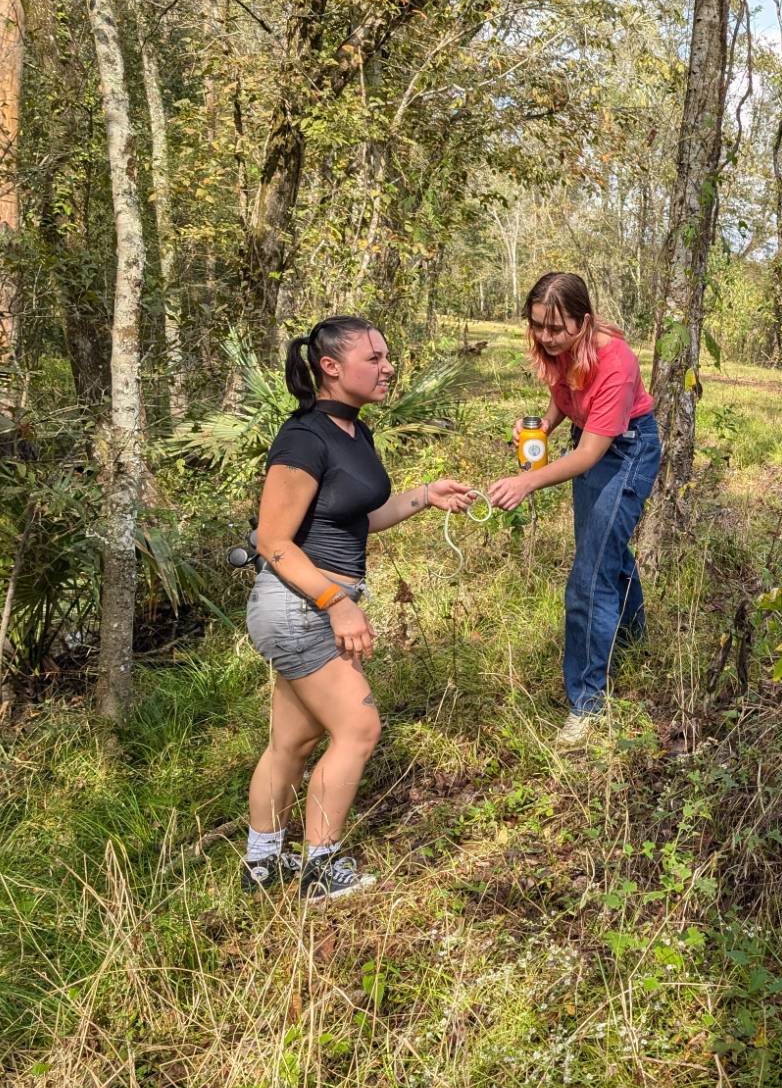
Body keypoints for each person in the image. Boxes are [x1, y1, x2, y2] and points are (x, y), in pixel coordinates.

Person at [244, 316, 474, 903]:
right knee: (359, 726)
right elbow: (273, 540)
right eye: (374, 358)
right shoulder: (304, 439)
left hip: (313, 602)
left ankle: (263, 864)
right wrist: (336, 602)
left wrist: (425, 496)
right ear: (330, 367)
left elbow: (351, 521)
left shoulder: (354, 434)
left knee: (293, 743)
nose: (388, 366)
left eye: (386, 356)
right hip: (300, 604)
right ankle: (319, 871)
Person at [488, 272, 660, 746]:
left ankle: (587, 704)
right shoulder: (560, 349)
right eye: (538, 325)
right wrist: (542, 425)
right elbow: (564, 398)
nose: (545, 337)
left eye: (555, 329)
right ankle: (631, 642)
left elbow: (588, 456)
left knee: (588, 575)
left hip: (625, 450)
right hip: (590, 440)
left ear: (583, 322)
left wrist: (526, 482)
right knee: (606, 551)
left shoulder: (616, 362)